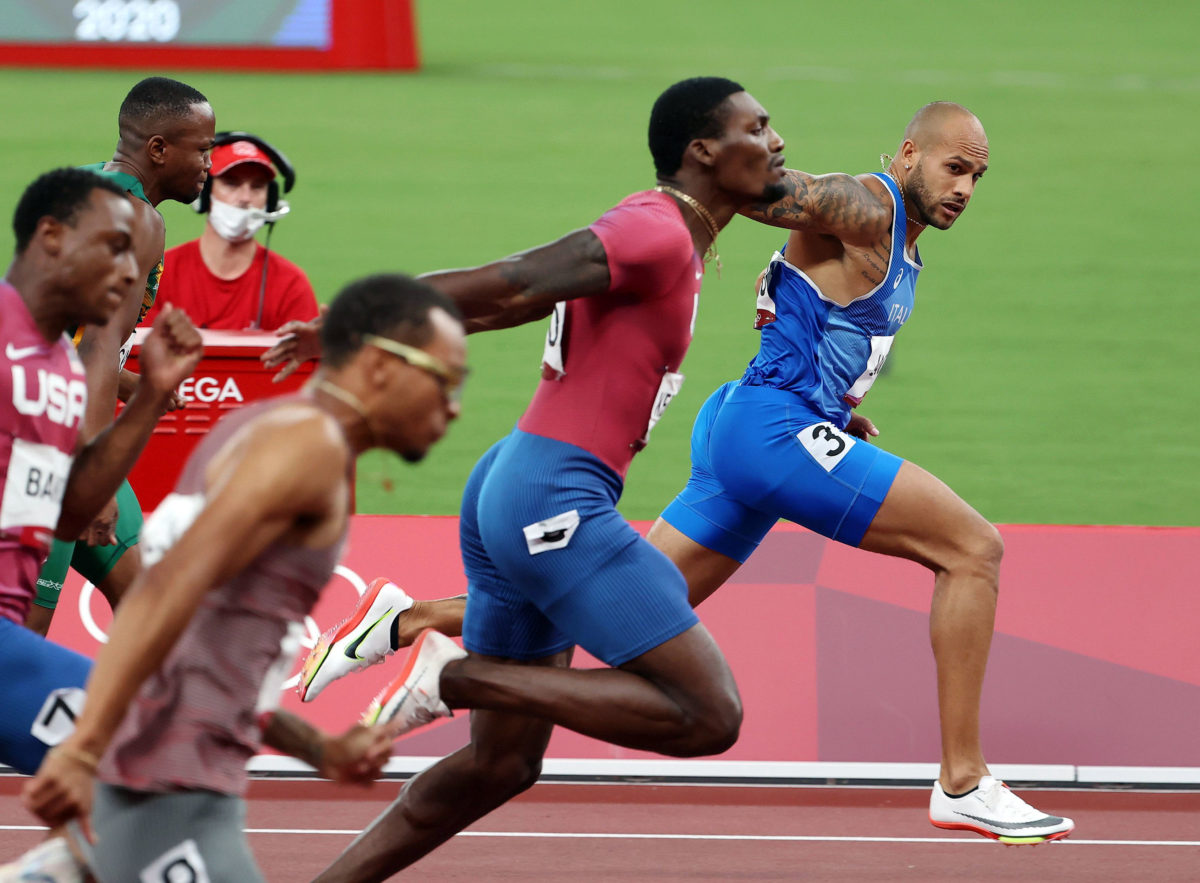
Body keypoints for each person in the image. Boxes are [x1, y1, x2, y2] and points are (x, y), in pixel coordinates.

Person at [299, 102, 1075, 846]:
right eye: (954, 167)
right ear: (909, 155)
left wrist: (836, 408)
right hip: (768, 434)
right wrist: (721, 178)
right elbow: (773, 193)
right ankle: (963, 779)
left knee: (622, 614)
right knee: (973, 548)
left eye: (979, 176)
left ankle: (405, 620)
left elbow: (827, 331)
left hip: (759, 429)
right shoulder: (870, 205)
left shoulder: (896, 242)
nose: (965, 188)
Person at [293, 76, 789, 882]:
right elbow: (513, 282)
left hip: (515, 485)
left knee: (499, 766)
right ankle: (450, 668)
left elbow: (502, 309)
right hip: (553, 499)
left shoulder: (673, 231)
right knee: (709, 713)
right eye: (758, 128)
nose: (776, 143)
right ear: (704, 150)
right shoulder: (657, 230)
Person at [18, 274, 466, 883]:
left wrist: (318, 749)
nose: (454, 406)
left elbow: (205, 649)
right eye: (443, 381)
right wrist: (86, 750)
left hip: (185, 769)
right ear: (381, 367)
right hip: (166, 779)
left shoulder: (274, 430)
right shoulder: (305, 453)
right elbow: (162, 592)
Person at [0, 167, 204, 880]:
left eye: (134, 254)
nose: (131, 273)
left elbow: (68, 512)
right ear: (51, 238)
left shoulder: (59, 366)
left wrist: (150, 394)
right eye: (114, 248)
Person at [27, 76, 216, 639]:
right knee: (21, 639)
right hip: (50, 441)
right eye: (202, 148)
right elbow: (100, 345)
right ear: (158, 149)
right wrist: (96, 474)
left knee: (151, 607)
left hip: (54, 410)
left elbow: (51, 326)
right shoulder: (140, 222)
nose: (210, 163)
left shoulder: (80, 188)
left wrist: (136, 384)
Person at [140, 132, 320, 331]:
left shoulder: (291, 285)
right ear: (205, 192)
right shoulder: (158, 275)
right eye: (231, 183)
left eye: (257, 187)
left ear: (270, 202)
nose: (245, 198)